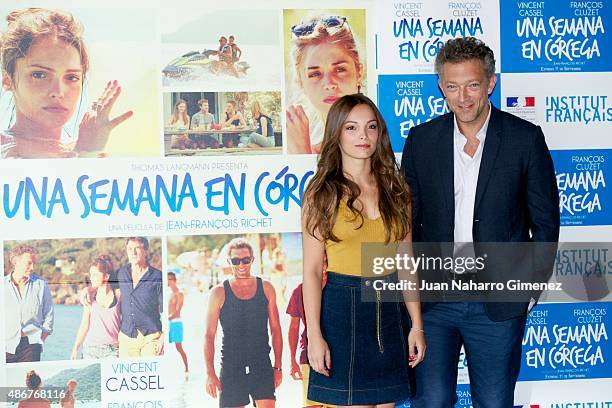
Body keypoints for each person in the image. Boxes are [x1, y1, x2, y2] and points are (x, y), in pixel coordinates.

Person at [401, 37, 560, 408]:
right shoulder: (422, 140)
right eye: (452, 86)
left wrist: (529, 287)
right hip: (434, 302)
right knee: (432, 400)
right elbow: (408, 223)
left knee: (493, 401)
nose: (463, 97)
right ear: (441, 86)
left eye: (472, 84)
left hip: (499, 301)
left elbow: (546, 222)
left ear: (490, 83)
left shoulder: (525, 139)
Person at [302, 94, 425, 407]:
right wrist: (315, 336)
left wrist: (417, 326)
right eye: (351, 128)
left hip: (389, 308)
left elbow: (406, 262)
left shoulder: (397, 190)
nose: (363, 136)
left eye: (371, 127)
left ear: (379, 133)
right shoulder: (321, 192)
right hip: (342, 308)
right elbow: (313, 271)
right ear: (336, 134)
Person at [0, 8, 132, 159]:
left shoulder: (87, 146)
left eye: (71, 77)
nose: (58, 91)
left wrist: (88, 152)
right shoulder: (4, 150)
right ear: (8, 80)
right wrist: (85, 152)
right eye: (39, 75)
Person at [205, 238, 282, 408]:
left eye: (245, 260)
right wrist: (210, 373)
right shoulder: (218, 292)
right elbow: (209, 335)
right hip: (231, 366)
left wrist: (278, 367)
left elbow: (276, 330)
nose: (241, 265)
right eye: (235, 261)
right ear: (229, 262)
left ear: (252, 260)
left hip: (261, 363)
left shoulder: (267, 288)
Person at [286, 15, 363, 154]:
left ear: (359, 72)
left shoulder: (377, 139)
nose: (329, 84)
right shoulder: (300, 142)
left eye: (339, 69)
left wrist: (301, 153)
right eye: (315, 74)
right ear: (300, 81)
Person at [287, 268, 335, 408]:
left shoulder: (341, 289)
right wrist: (292, 360)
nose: (325, 266)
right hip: (309, 358)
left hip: (339, 358)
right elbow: (294, 328)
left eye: (327, 261)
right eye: (321, 262)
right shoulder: (300, 291)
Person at [5, 245, 53, 363]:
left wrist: (40, 339)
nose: (32, 268)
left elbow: (49, 315)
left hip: (31, 345)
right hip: (5, 345)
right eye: (29, 263)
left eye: (34, 264)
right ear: (16, 262)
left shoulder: (41, 285)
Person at [117, 237, 164, 358]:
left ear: (146, 251)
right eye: (130, 249)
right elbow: (102, 283)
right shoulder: (121, 273)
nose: (133, 253)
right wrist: (89, 289)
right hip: (127, 337)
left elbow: (166, 310)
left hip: (151, 337)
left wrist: (164, 336)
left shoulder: (158, 276)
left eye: (137, 248)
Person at [71, 255, 120, 360]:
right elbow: (85, 325)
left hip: (113, 351)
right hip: (90, 349)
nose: (91, 278)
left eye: (95, 274)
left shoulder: (118, 295)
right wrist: (75, 348)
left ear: (106, 276)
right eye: (90, 274)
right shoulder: (90, 297)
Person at [168, 272, 189, 377]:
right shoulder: (169, 293)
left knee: (179, 347)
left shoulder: (179, 293)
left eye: (168, 279)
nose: (167, 281)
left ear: (173, 280)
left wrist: (168, 318)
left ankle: (186, 369)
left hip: (176, 323)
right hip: (168, 322)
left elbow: (177, 310)